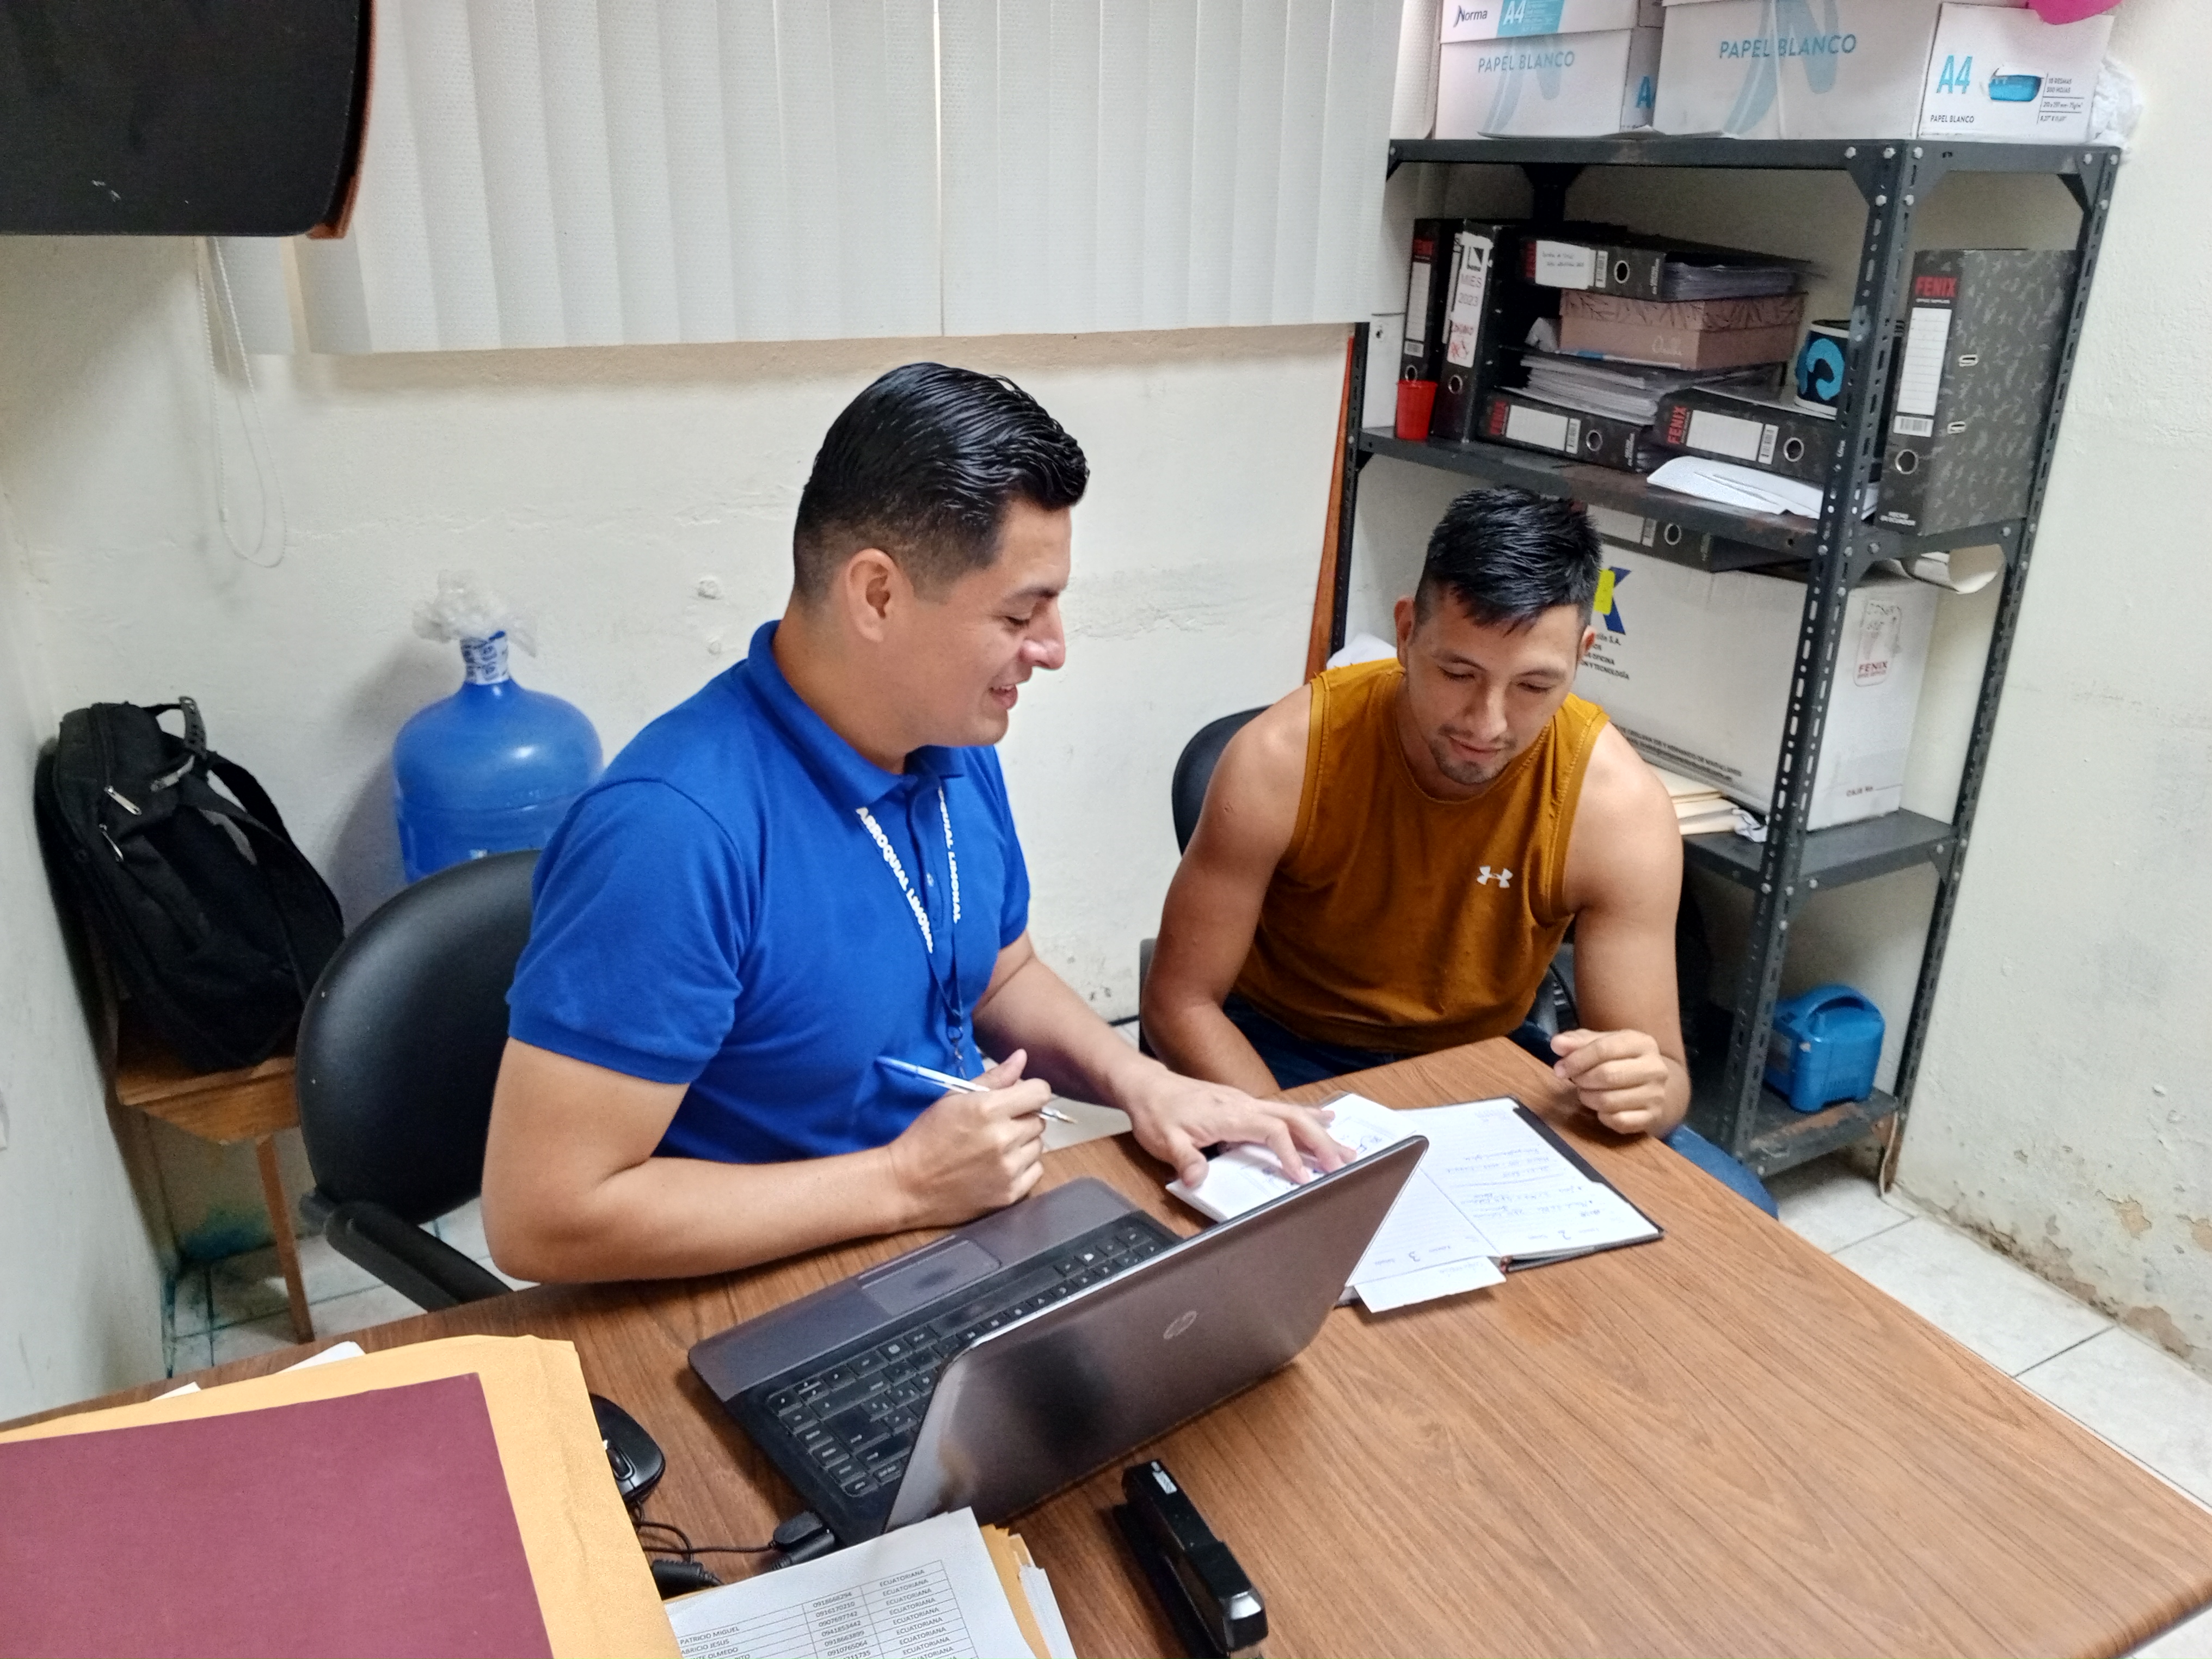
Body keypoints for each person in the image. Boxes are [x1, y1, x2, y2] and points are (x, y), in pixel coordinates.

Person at [481, 364, 1347, 1284]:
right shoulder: (673, 835)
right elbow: (544, 1217)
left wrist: (1145, 1084)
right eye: (1019, 613)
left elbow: (999, 972)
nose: (1053, 648)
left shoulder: (945, 737)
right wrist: (903, 1182)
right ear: (878, 596)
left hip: (945, 1242)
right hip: (754, 1288)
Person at [1139, 486, 1773, 1212]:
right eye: (1458, 673)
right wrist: (1291, 1139)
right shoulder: (1284, 758)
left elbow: (1663, 1078)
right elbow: (1180, 1001)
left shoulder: (1617, 808)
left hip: (1485, 1061)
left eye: (1534, 685)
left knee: (1738, 1210)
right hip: (1288, 1048)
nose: (1487, 723)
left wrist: (1642, 1091)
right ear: (1407, 631)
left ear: (1582, 656)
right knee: (1291, 1236)